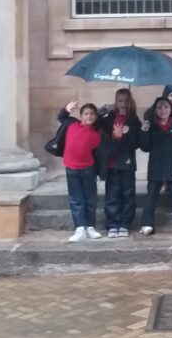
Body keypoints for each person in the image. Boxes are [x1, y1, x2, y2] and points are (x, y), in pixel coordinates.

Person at [138, 95, 172, 236]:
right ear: (155, 110)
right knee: (151, 195)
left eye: (166, 107)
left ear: (170, 109)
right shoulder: (152, 126)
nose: (163, 110)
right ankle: (146, 223)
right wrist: (144, 131)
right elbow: (145, 147)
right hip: (156, 165)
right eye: (160, 107)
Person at [55, 100, 106, 243]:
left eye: (92, 114)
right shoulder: (71, 124)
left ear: (96, 117)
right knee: (76, 199)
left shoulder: (97, 133)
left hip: (88, 169)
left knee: (90, 199)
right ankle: (80, 227)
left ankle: (90, 226)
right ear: (81, 115)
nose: (89, 116)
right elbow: (61, 117)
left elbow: (99, 154)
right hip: (71, 168)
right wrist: (66, 108)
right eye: (86, 114)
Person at [98, 88, 141, 238]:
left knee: (128, 195)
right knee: (112, 195)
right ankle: (113, 223)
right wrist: (102, 110)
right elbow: (96, 124)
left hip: (127, 163)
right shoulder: (109, 118)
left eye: (126, 100)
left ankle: (125, 223)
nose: (123, 104)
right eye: (120, 100)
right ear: (116, 101)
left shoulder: (134, 120)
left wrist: (126, 135)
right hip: (111, 163)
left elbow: (137, 143)